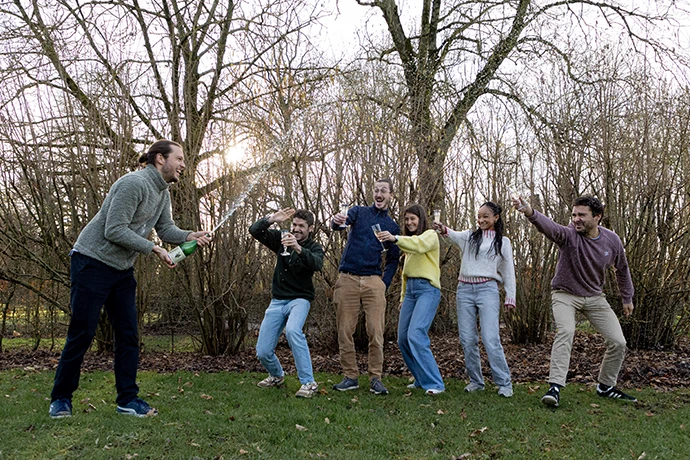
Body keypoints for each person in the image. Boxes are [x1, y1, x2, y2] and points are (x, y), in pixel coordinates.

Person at [49, 140, 212, 419]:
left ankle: (127, 399)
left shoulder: (162, 193)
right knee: (82, 333)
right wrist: (154, 248)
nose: (184, 165)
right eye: (180, 159)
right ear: (160, 159)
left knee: (128, 335)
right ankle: (61, 398)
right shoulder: (132, 184)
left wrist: (188, 236)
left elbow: (165, 228)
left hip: (121, 270)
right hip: (92, 262)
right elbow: (114, 230)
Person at [512, 194, 636, 407]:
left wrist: (627, 297)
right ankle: (555, 387)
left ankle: (605, 386)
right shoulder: (569, 235)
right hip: (565, 295)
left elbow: (622, 269)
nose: (576, 219)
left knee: (618, 342)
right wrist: (529, 212)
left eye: (582, 215)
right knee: (566, 331)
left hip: (595, 297)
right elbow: (549, 227)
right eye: (574, 215)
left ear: (597, 217)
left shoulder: (612, 240)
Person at [434, 202, 516, 397]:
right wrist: (442, 228)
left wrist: (510, 296)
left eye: (485, 216)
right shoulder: (469, 237)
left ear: (496, 217)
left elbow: (508, 271)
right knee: (467, 339)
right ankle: (476, 381)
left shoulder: (503, 242)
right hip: (464, 290)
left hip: (488, 290)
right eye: (479, 216)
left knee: (490, 338)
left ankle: (504, 383)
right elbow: (451, 235)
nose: (481, 220)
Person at [330, 179, 401, 395]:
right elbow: (339, 224)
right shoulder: (358, 212)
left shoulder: (392, 226)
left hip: (373, 281)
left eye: (384, 191)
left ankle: (375, 378)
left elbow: (393, 260)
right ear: (373, 194)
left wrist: (383, 283)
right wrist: (336, 221)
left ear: (390, 196)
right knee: (344, 331)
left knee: (375, 331)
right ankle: (350, 376)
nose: (379, 194)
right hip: (348, 278)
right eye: (376, 190)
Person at [248, 208, 324, 398]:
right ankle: (276, 376)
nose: (296, 229)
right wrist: (271, 219)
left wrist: (298, 248)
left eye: (301, 226)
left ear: (310, 228)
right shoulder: (282, 238)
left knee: (293, 331)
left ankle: (309, 382)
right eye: (295, 225)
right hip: (277, 301)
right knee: (263, 351)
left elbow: (317, 264)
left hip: (299, 299)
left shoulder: (314, 247)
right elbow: (254, 231)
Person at [377, 204, 444, 395]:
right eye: (406, 219)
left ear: (420, 219)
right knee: (403, 339)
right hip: (411, 293)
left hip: (427, 290)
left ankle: (435, 384)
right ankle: (421, 379)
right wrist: (402, 297)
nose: (409, 222)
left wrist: (394, 238)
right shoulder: (408, 245)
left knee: (416, 335)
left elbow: (419, 244)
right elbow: (405, 274)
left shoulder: (430, 235)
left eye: (413, 218)